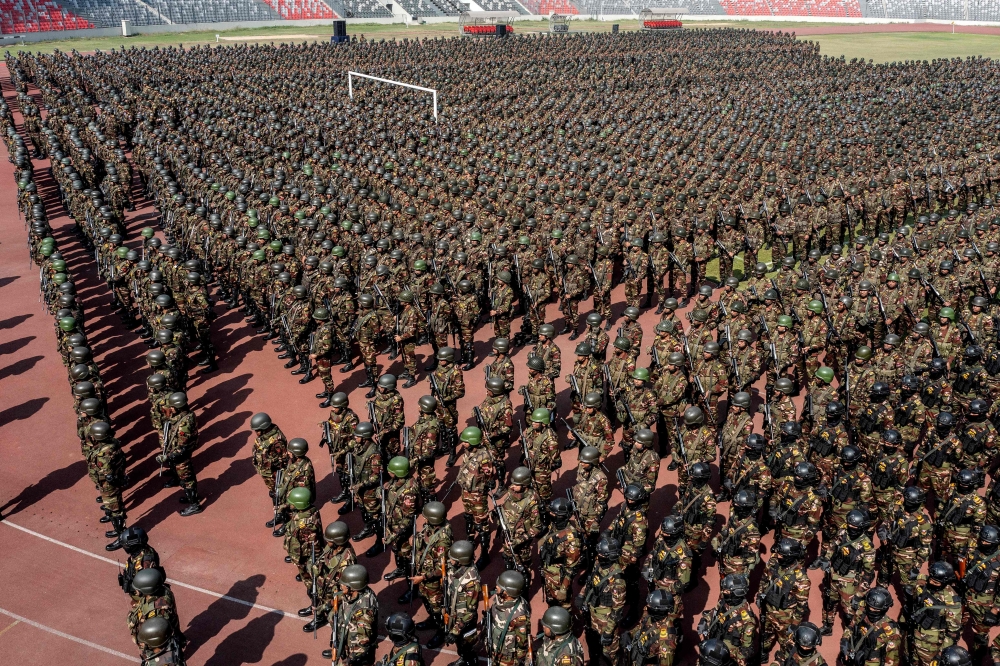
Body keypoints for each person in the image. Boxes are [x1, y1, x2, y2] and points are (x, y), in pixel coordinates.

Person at [156, 391, 202, 515]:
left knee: (187, 479)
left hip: (181, 455)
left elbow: (182, 448)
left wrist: (167, 457)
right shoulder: (184, 416)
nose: (170, 408)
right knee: (185, 478)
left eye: (172, 407)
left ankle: (195, 505)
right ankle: (192, 497)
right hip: (179, 452)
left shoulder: (184, 425)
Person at [324, 564, 378, 662]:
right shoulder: (356, 592)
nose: (341, 586)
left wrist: (348, 662)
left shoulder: (364, 613)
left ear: (353, 587)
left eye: (344, 584)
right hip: (345, 639)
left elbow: (362, 646)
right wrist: (324, 607)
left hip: (355, 654)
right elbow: (342, 596)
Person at [442, 541, 482, 666]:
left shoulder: (471, 583)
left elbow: (470, 613)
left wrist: (456, 630)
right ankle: (464, 658)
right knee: (460, 645)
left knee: (466, 645)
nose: (450, 560)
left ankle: (470, 661)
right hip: (454, 614)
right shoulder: (455, 567)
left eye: (453, 559)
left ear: (461, 561)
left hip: (464, 621)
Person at [484, 570, 531, 666]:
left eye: (500, 586)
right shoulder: (500, 600)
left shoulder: (519, 616)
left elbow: (522, 643)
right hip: (495, 650)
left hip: (507, 659)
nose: (496, 587)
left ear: (509, 592)